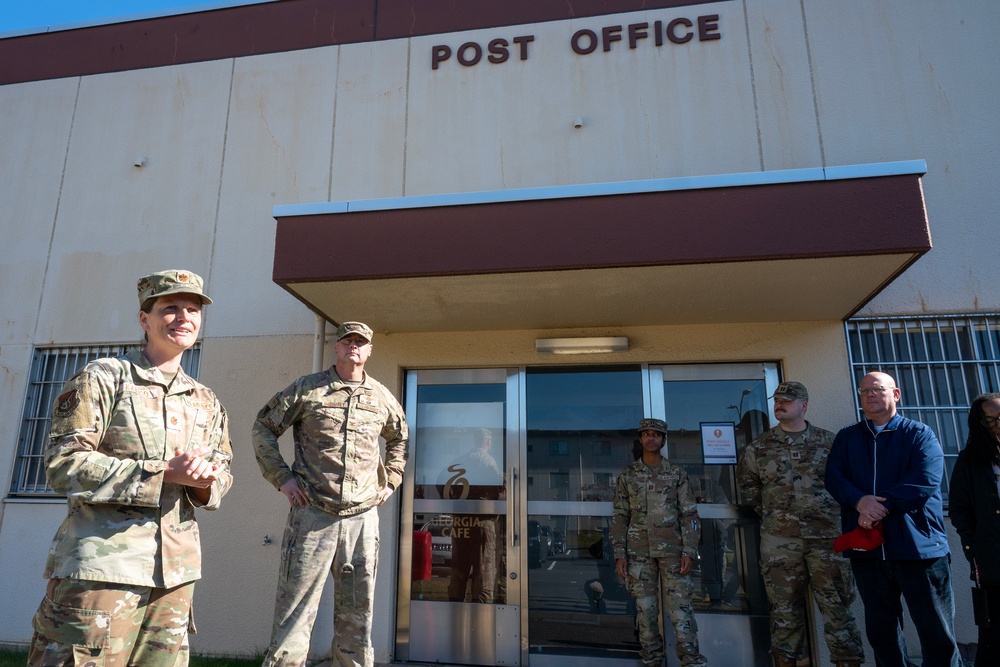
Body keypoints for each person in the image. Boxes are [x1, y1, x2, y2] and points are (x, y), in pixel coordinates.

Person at [28, 269, 234, 667]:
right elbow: (63, 465)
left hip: (175, 579)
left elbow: (222, 469)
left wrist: (206, 483)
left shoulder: (206, 400)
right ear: (145, 319)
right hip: (103, 570)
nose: (183, 317)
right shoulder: (104, 379)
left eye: (192, 309)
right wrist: (163, 473)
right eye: (170, 308)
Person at [253, 321, 408, 667]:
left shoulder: (381, 396)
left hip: (361, 520)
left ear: (369, 351)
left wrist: (392, 480)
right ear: (336, 347)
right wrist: (282, 478)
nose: (353, 346)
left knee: (358, 616)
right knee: (295, 613)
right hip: (312, 514)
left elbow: (399, 439)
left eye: (360, 342)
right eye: (347, 341)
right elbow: (263, 427)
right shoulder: (308, 389)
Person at [825, 371, 961, 667]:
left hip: (918, 549)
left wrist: (877, 509)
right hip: (869, 551)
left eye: (876, 389)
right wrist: (859, 501)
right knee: (882, 631)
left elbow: (924, 481)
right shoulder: (848, 437)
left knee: (936, 631)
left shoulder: (919, 434)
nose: (869, 395)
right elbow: (834, 477)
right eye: (864, 391)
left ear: (895, 394)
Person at [737, 381, 863, 667]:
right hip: (780, 543)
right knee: (784, 613)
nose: (779, 404)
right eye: (777, 400)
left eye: (787, 400)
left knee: (837, 610)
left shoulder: (831, 444)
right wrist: (777, 515)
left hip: (827, 539)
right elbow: (750, 488)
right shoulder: (759, 447)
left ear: (803, 406)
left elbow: (849, 486)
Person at [611, 418, 708, 667]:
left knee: (681, 612)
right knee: (646, 613)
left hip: (674, 553)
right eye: (646, 434)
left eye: (656, 434)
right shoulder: (628, 475)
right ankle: (652, 660)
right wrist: (619, 554)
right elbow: (620, 516)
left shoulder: (676, 473)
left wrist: (689, 550)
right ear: (640, 439)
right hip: (638, 554)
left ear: (664, 440)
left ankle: (691, 661)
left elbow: (690, 514)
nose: (651, 438)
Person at [949, 392, 1000, 666]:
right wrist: (974, 546)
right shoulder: (971, 460)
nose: (997, 425)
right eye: (990, 421)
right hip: (992, 563)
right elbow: (958, 508)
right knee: (993, 637)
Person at [443, 428, 503, 603]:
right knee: (483, 569)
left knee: (459, 567)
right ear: (488, 442)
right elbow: (495, 490)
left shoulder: (459, 460)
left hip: (461, 521)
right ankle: (481, 609)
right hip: (482, 521)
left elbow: (443, 483)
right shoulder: (488, 462)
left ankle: (454, 605)